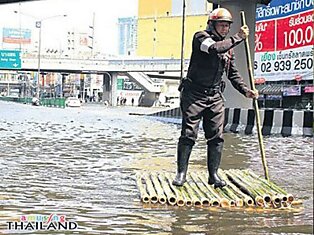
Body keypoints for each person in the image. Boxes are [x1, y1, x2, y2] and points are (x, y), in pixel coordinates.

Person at [172, 8, 258, 188]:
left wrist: (246, 91)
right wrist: (238, 38)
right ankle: (181, 174)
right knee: (189, 134)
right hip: (194, 95)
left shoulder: (228, 48)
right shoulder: (201, 38)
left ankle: (214, 175)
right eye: (222, 25)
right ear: (212, 25)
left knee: (217, 136)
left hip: (215, 96)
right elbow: (213, 49)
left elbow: (233, 74)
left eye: (227, 26)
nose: (225, 28)